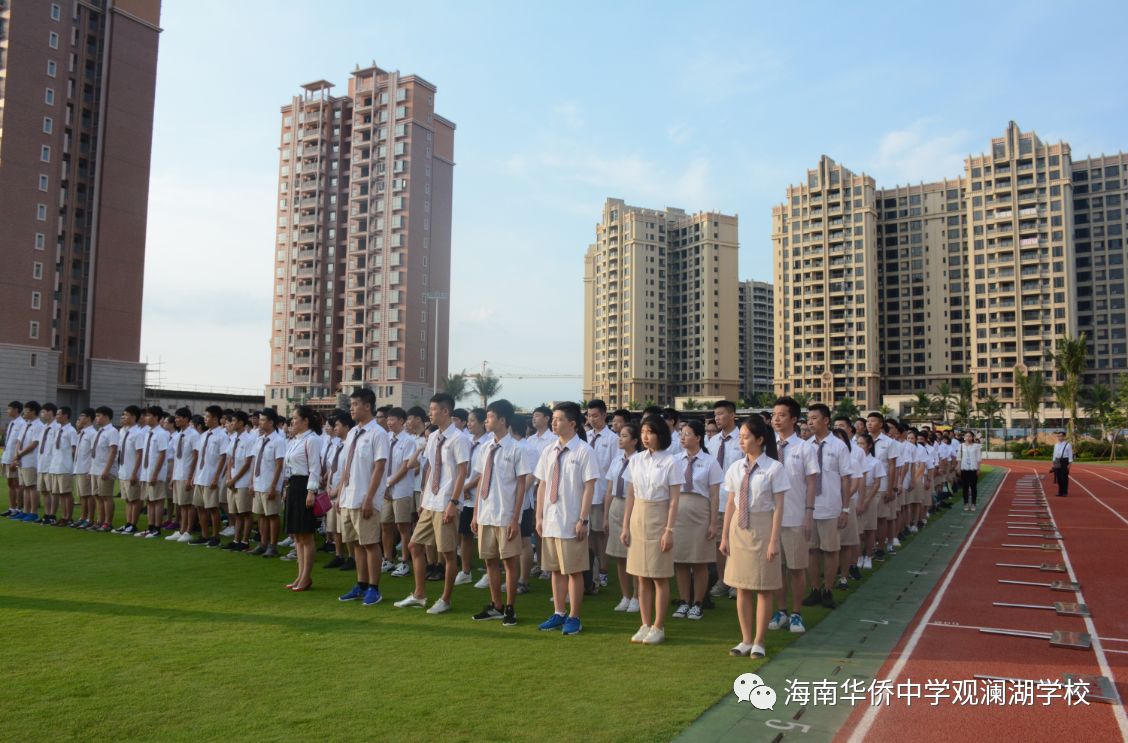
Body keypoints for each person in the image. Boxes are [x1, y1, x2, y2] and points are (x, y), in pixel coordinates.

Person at [721, 415, 789, 659]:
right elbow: (730, 502)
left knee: (762, 587)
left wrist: (773, 540)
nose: (742, 441)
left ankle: (760, 641)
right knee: (742, 587)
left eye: (746, 436)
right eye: (740, 436)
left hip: (762, 527)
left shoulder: (774, 468)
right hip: (739, 529)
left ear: (760, 439)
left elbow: (779, 506)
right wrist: (725, 536)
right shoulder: (735, 468)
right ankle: (746, 639)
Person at [395, 392, 468, 614]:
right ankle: (419, 594)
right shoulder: (434, 437)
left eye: (434, 409)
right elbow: (428, 468)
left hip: (447, 502)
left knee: (447, 553)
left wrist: (453, 503)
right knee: (414, 545)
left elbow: (462, 472)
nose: (430, 413)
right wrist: (425, 497)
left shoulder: (459, 438)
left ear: (445, 411)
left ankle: (445, 599)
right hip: (430, 501)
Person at [535, 402, 598, 637]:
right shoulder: (549, 450)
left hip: (572, 521)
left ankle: (574, 616)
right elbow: (542, 484)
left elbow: (589, 487)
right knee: (555, 570)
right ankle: (559, 612)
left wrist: (583, 519)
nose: (554, 422)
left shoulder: (584, 451)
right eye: (553, 418)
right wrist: (539, 516)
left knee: (574, 571)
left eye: (559, 419)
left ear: (572, 424)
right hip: (551, 520)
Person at [621, 414, 683, 645]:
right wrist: (626, 525)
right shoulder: (636, 460)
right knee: (640, 575)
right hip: (638, 515)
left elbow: (675, 500)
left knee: (658, 575)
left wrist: (669, 530)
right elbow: (630, 494)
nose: (646, 437)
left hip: (659, 516)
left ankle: (659, 626)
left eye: (651, 432)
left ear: (661, 435)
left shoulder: (671, 461)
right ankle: (645, 623)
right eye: (643, 432)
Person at [469, 399, 532, 625]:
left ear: (503, 420)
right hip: (486, 514)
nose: (487, 421)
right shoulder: (485, 448)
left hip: (506, 515)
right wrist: (476, 514)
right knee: (489, 562)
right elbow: (480, 482)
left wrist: (516, 519)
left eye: (491, 417)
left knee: (509, 563)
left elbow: (522, 486)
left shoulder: (517, 449)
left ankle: (510, 607)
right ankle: (496, 604)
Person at [768, 396, 818, 634]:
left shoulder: (805, 448)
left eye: (782, 415)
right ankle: (781, 611)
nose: (776, 419)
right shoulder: (766, 446)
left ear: (794, 419)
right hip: (770, 518)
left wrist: (808, 513)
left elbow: (811, 483)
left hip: (796, 516)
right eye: (774, 415)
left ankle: (796, 613)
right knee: (776, 567)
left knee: (796, 568)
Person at [802, 404, 851, 610]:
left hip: (831, 506)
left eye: (814, 418)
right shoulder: (805, 446)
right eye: (808, 418)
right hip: (809, 507)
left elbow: (846, 479)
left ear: (826, 420)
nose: (810, 422)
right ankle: (814, 589)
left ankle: (828, 590)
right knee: (812, 550)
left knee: (831, 550)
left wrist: (845, 509)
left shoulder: (839, 446)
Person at [673, 419, 722, 620]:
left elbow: (715, 495)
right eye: (681, 434)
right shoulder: (675, 460)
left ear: (698, 438)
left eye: (687, 434)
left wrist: (713, 523)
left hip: (700, 511)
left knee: (700, 561)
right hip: (679, 512)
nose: (683, 437)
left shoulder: (710, 462)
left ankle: (698, 602)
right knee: (681, 561)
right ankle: (684, 601)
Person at [283, 405, 324, 592]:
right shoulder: (294, 440)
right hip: (293, 485)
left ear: (305, 420)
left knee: (306, 535)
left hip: (305, 486)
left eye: (295, 418)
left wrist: (311, 491)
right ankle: (300, 575)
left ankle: (306, 576)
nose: (292, 421)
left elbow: (315, 467)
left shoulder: (312, 440)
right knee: (297, 536)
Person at [706, 400, 743, 601]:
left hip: (737, 499)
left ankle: (737, 581)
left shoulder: (742, 439)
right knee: (719, 543)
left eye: (721, 414)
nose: (718, 418)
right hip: (717, 499)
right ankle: (723, 580)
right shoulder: (712, 442)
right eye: (716, 414)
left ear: (732, 414)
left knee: (737, 542)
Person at [604, 421, 639, 613]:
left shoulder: (640, 460)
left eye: (625, 436)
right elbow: (609, 488)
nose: (620, 438)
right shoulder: (617, 459)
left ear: (635, 441)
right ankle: (625, 595)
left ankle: (637, 596)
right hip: (616, 505)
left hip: (631, 504)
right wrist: (605, 516)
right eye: (620, 435)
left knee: (633, 554)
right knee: (619, 555)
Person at [585, 399, 616, 592]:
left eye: (596, 415)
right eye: (589, 415)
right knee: (588, 535)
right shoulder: (585, 436)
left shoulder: (612, 439)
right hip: (586, 493)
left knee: (601, 534)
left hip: (602, 492)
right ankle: (591, 573)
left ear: (605, 415)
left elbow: (613, 469)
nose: (592, 419)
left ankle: (603, 571)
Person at [456, 408, 489, 586]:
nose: (469, 424)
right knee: (465, 534)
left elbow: (483, 472)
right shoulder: (466, 440)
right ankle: (465, 571)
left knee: (483, 535)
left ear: (483, 422)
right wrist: (462, 488)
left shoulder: (489, 442)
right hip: (465, 495)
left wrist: (466, 486)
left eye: (473, 421)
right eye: (468, 421)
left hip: (479, 495)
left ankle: (488, 571)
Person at [381, 407, 416, 572]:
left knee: (403, 526)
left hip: (401, 489)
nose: (389, 423)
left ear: (402, 421)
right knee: (385, 524)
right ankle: (388, 558)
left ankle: (404, 561)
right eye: (388, 420)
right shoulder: (385, 438)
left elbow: (405, 467)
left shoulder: (408, 441)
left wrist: (388, 483)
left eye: (392, 420)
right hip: (386, 489)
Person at [190, 406, 228, 548]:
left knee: (212, 508)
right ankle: (205, 535)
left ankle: (215, 536)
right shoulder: (204, 435)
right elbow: (200, 457)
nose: (205, 419)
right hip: (200, 476)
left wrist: (216, 478)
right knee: (200, 507)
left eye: (208, 417)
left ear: (215, 418)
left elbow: (223, 458)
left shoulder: (222, 436)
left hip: (211, 477)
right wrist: (194, 475)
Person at [222, 411, 256, 550]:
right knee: (236, 513)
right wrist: (229, 477)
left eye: (234, 421)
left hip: (243, 481)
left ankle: (245, 541)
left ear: (242, 423)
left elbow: (248, 463)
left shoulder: (249, 439)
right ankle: (236, 540)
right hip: (233, 481)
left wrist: (235, 479)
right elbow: (229, 459)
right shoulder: (233, 438)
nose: (231, 423)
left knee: (245, 513)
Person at [166, 408, 200, 542]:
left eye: (179, 417)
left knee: (188, 504)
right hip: (178, 474)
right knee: (180, 504)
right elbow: (176, 457)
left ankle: (188, 531)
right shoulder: (178, 435)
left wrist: (191, 477)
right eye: (176, 417)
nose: (176, 420)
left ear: (186, 419)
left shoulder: (193, 435)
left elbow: (195, 456)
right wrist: (172, 477)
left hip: (187, 474)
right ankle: (181, 529)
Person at [137, 406, 170, 538]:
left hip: (155, 473)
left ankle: (157, 528)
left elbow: (162, 454)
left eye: (149, 415)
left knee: (157, 500)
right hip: (146, 472)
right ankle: (150, 527)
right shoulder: (148, 433)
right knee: (149, 501)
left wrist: (155, 473)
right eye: (145, 415)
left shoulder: (161, 433)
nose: (146, 418)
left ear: (156, 417)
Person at [87, 406, 119, 531]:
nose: (96, 418)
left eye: (99, 416)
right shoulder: (98, 432)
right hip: (95, 468)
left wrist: (107, 469)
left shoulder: (112, 431)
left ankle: (107, 522)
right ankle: (100, 521)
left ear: (106, 417)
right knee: (97, 496)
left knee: (106, 496)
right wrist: (91, 469)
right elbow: (94, 452)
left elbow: (113, 451)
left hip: (105, 469)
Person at [12, 401, 45, 521]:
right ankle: (25, 510)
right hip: (21, 460)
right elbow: (19, 441)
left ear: (33, 411)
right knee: (25, 486)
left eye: (26, 410)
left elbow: (34, 443)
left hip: (31, 460)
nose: (24, 412)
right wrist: (16, 455)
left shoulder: (39, 426)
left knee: (32, 486)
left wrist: (20, 454)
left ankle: (33, 512)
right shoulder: (25, 424)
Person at [114, 405, 143, 534]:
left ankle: (133, 524)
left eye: (126, 415)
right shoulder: (122, 431)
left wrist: (134, 472)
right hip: (123, 470)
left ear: (133, 417)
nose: (123, 417)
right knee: (127, 499)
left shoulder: (138, 433)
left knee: (134, 499)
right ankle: (127, 523)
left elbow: (139, 454)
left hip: (132, 471)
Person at [47, 406, 78, 526]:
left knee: (66, 493)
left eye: (59, 414)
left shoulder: (71, 431)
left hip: (65, 466)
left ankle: (68, 517)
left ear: (65, 416)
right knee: (60, 493)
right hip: (55, 466)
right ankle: (64, 516)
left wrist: (71, 465)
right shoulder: (57, 430)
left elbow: (74, 449)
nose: (56, 416)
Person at [72, 409, 97, 528]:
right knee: (82, 495)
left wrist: (91, 469)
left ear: (88, 418)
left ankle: (90, 518)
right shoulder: (82, 432)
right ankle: (83, 517)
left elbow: (93, 453)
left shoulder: (92, 433)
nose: (80, 418)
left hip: (86, 468)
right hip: (79, 467)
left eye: (82, 416)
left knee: (88, 495)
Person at [2, 401, 26, 519]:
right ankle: (11, 508)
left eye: (10, 408)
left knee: (17, 484)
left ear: (16, 410)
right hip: (7, 457)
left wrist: (16, 458)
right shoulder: (12, 423)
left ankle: (18, 508)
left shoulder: (22, 423)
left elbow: (19, 443)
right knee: (10, 483)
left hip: (14, 458)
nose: (8, 411)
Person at [958, 431, 982, 510]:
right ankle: (966, 503)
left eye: (970, 436)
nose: (968, 438)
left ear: (972, 437)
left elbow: (978, 458)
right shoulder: (961, 446)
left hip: (973, 468)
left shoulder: (976, 446)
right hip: (964, 468)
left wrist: (978, 469)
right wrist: (959, 468)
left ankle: (973, 504)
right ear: (964, 437)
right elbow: (959, 458)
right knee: (965, 487)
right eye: (966, 436)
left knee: (973, 487)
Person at [1051, 431, 1072, 497]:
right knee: (1059, 478)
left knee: (1064, 478)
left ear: (1064, 437)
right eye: (1058, 436)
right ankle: (1060, 492)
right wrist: (1053, 463)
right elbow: (1054, 454)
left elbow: (1070, 455)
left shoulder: (1068, 445)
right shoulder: (1056, 445)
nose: (1059, 437)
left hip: (1064, 462)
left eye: (1060, 436)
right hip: (1057, 461)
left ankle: (1065, 492)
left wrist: (1069, 465)